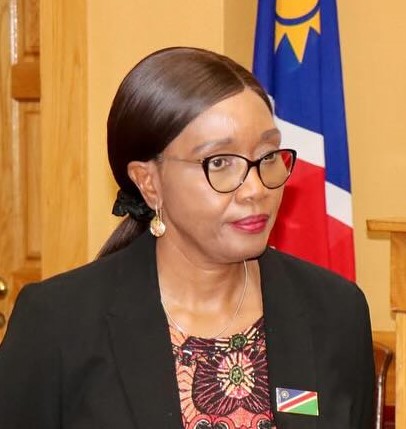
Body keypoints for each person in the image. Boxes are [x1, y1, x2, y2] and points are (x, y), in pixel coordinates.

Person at [0, 47, 374, 429]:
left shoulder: (335, 311)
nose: (255, 189)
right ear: (149, 182)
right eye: (220, 162)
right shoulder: (59, 324)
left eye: (267, 156)